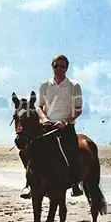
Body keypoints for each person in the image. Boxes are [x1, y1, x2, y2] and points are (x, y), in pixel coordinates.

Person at [19, 54, 84, 199]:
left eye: (62, 66)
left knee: (72, 151)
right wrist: (44, 119)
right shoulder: (44, 85)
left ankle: (75, 183)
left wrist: (65, 122)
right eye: (56, 66)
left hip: (65, 127)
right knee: (25, 151)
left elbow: (78, 110)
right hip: (47, 126)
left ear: (67, 68)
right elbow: (39, 107)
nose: (59, 69)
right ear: (52, 66)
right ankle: (29, 184)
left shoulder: (74, 86)